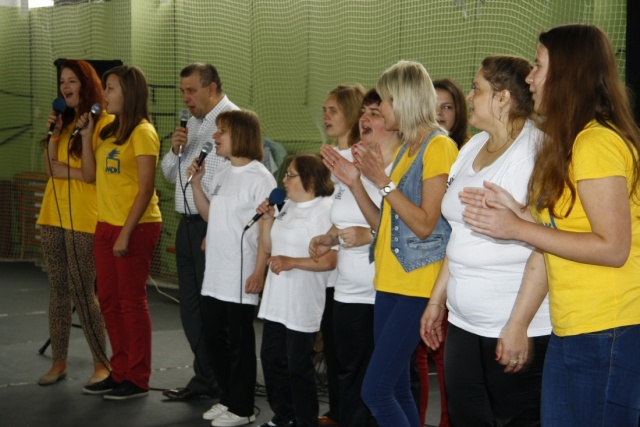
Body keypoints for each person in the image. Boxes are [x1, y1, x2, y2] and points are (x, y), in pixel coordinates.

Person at [459, 24, 640, 426]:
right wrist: (521, 214)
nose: (530, 78)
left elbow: (613, 248)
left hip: (609, 328)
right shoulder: (569, 143)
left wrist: (518, 228)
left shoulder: (596, 143)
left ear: (568, 74)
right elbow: (563, 235)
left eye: (538, 66)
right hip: (573, 326)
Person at [420, 55, 552, 426]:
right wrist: (437, 301)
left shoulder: (539, 152)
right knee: (466, 417)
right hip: (464, 321)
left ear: (503, 98)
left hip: (513, 322)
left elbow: (548, 245)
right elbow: (460, 233)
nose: (469, 96)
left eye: (476, 88)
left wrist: (518, 325)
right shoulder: (470, 147)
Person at [326, 60, 457, 427]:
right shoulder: (408, 150)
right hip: (388, 282)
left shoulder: (438, 147)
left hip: (416, 284)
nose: (380, 109)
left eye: (383, 101)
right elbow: (385, 225)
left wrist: (383, 182)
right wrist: (355, 182)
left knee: (375, 391)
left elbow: (426, 225)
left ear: (402, 100)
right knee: (396, 389)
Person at [311, 88, 401, 427]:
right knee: (347, 373)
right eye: (364, 112)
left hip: (378, 291)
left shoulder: (398, 166)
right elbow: (346, 216)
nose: (365, 119)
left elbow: (407, 227)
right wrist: (330, 237)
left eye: (375, 113)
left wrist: (370, 236)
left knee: (378, 383)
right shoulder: (354, 164)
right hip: (347, 288)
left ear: (395, 120)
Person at [78, 65, 162, 400]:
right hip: (105, 224)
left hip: (137, 226)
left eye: (110, 88)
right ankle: (120, 371)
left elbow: (145, 188)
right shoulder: (108, 129)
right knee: (109, 301)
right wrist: (86, 137)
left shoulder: (143, 132)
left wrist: (126, 234)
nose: (104, 95)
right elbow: (89, 176)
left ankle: (138, 378)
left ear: (129, 92)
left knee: (131, 301)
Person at [190, 110, 276, 427]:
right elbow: (210, 215)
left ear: (239, 135)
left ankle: (243, 408)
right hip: (215, 273)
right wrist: (196, 184)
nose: (215, 137)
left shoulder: (261, 178)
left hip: (241, 274)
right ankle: (228, 398)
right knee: (214, 339)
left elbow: (266, 229)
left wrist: (259, 272)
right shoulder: (223, 171)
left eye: (221, 131)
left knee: (240, 344)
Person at [160, 63, 238, 401]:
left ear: (212, 88)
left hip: (212, 225)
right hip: (187, 225)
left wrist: (217, 228)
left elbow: (231, 181)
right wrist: (175, 150)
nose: (186, 98)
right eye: (183, 92)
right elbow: (168, 173)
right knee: (191, 310)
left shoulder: (232, 121)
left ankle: (225, 382)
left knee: (213, 310)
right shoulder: (190, 124)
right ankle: (207, 377)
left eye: (191, 90)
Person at [36, 59, 110, 387]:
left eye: (72, 81)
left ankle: (101, 363)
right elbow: (49, 169)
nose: (65, 86)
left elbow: (96, 175)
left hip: (84, 217)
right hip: (52, 214)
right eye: (62, 81)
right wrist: (53, 134)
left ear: (86, 85)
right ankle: (59, 362)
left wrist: (70, 172)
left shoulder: (103, 122)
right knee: (58, 291)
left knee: (83, 292)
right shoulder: (63, 122)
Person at [257, 154, 336, 427]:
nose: (284, 180)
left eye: (290, 175)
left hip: (303, 301)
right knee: (271, 359)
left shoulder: (324, 209)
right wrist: (267, 220)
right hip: (277, 300)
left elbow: (330, 260)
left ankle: (305, 420)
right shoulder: (288, 205)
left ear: (310, 180)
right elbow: (269, 248)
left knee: (298, 367)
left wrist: (292, 262)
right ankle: (284, 416)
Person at [411, 77, 468, 427]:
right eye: (434, 107)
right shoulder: (418, 150)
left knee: (448, 363)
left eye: (448, 106)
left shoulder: (468, 153)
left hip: (454, 274)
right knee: (418, 357)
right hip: (423, 271)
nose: (441, 114)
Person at [319, 83, 365, 426]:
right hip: (335, 273)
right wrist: (328, 237)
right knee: (335, 352)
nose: (326, 116)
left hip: (359, 278)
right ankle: (338, 411)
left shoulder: (363, 159)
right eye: (324, 110)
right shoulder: (329, 157)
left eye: (332, 110)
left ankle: (348, 414)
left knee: (353, 360)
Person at [434, 78, 469, 148]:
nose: (438, 112)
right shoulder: (414, 146)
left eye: (447, 107)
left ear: (458, 111)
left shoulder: (469, 148)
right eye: (432, 106)